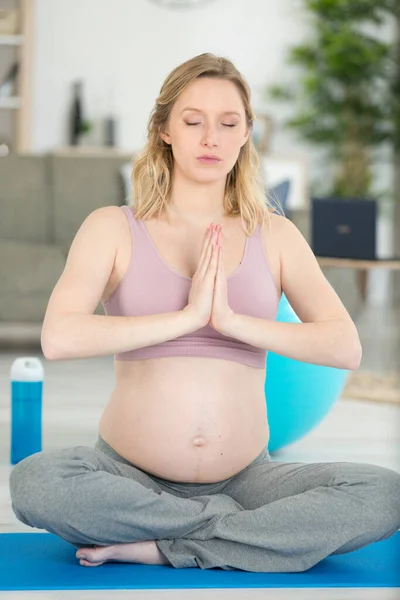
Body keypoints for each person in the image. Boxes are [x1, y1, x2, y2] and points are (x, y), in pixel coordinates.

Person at [9, 53, 400, 572]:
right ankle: (235, 535)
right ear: (164, 129)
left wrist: (233, 322)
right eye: (193, 121)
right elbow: (59, 338)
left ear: (246, 135)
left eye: (228, 123)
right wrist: (187, 318)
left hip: (248, 480)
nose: (211, 137)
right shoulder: (111, 227)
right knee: (36, 483)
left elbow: (343, 346)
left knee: (384, 493)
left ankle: (162, 543)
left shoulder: (276, 235)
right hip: (127, 473)